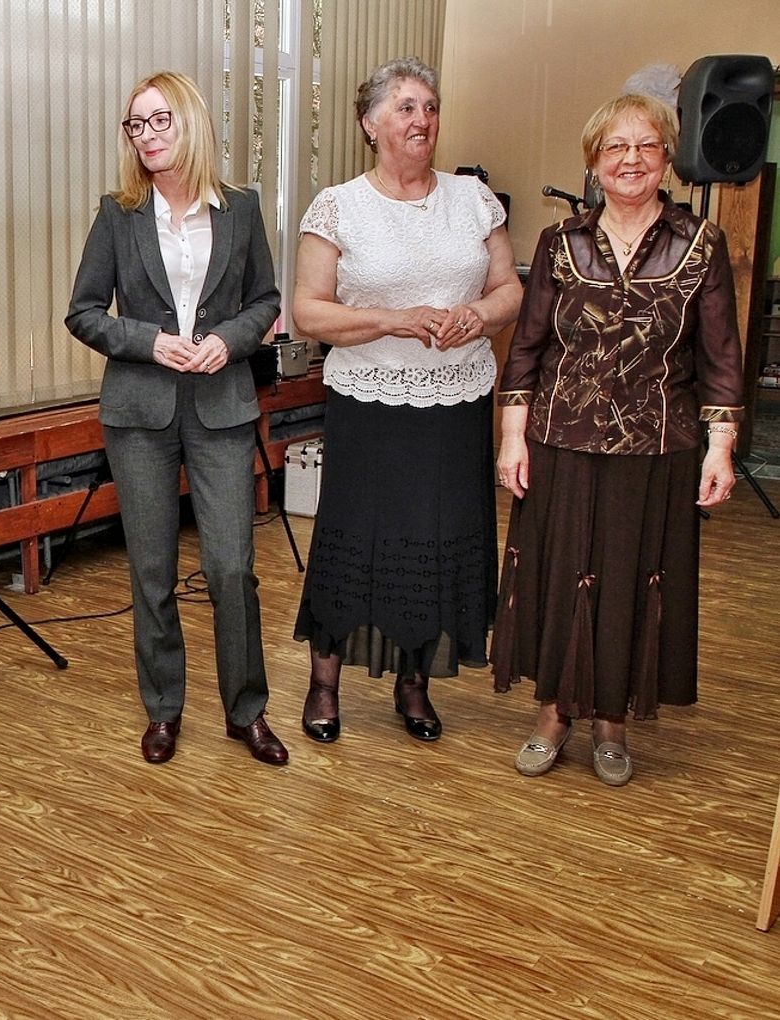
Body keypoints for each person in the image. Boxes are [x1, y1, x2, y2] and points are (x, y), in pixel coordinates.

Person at [492, 92, 744, 786]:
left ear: (667, 158)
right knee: (559, 574)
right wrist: (512, 437)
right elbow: (528, 348)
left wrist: (720, 446)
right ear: (594, 161)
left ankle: (611, 721)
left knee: (631, 578)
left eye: (646, 145)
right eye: (616, 147)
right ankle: (552, 714)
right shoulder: (560, 243)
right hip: (561, 441)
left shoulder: (702, 243)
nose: (631, 159)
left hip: (657, 446)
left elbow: (722, 355)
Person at [290, 57, 522, 745]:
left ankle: (415, 684)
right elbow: (308, 311)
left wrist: (479, 316)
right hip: (369, 406)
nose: (422, 120)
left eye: (430, 107)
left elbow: (511, 290)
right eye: (406, 107)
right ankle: (324, 684)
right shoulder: (337, 206)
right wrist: (394, 320)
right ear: (370, 124)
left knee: (438, 539)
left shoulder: (474, 199)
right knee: (353, 539)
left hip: (457, 403)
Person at [66, 71, 285, 767]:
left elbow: (266, 300)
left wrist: (231, 340)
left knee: (230, 568)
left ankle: (246, 710)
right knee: (152, 570)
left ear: (190, 121)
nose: (147, 135)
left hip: (221, 405)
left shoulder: (241, 208)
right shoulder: (118, 213)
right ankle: (163, 707)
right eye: (136, 125)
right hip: (140, 411)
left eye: (159, 119)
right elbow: (84, 312)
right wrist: (149, 341)